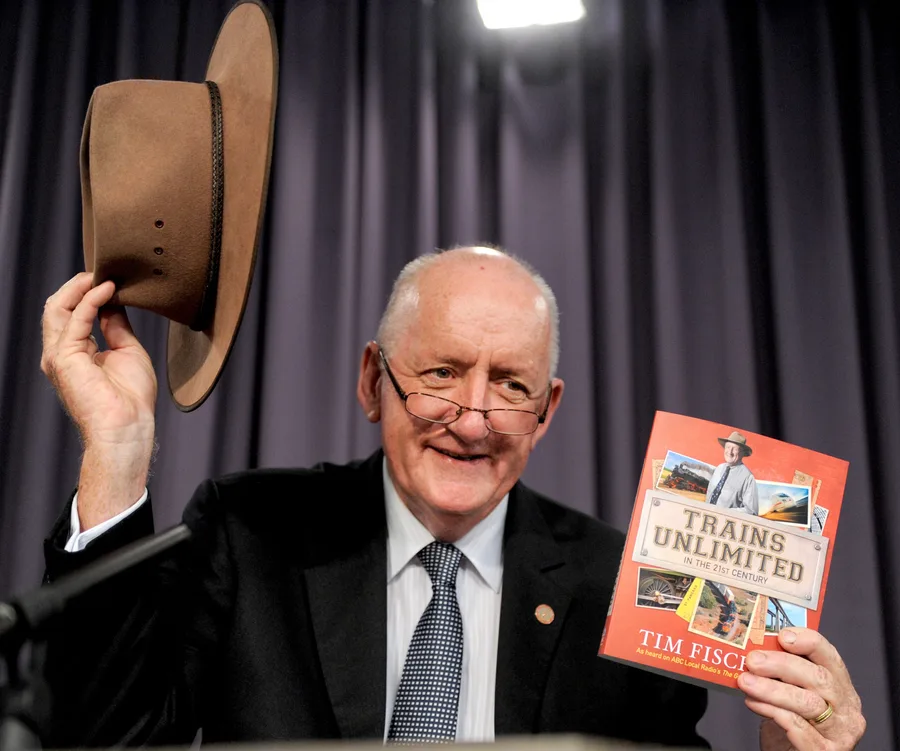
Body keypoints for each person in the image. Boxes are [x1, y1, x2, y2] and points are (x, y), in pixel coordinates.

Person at [39, 247, 866, 749]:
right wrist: (117, 449)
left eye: (511, 385)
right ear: (375, 380)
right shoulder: (253, 529)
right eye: (439, 373)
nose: (473, 418)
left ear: (547, 411)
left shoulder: (624, 584)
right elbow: (105, 738)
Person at [705, 431, 759, 514]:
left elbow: (751, 511)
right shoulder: (719, 468)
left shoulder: (748, 478)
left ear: (742, 453)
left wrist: (726, 512)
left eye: (735, 449)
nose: (730, 452)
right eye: (728, 447)